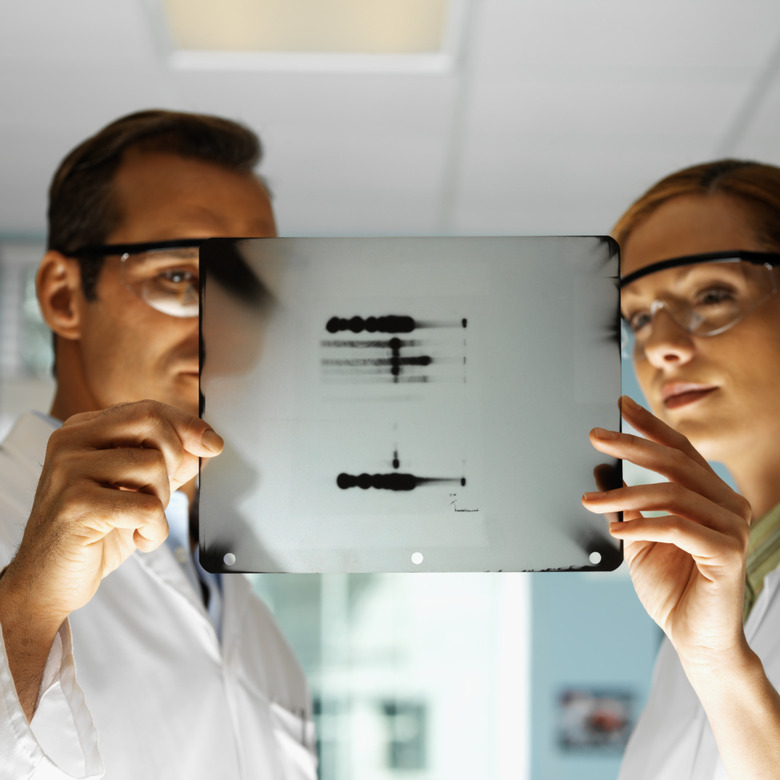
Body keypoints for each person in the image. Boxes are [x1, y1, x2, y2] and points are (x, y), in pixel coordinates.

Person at [0, 110, 317, 778]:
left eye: (249, 289)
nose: (225, 330)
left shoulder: (259, 631)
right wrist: (25, 612)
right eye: (180, 277)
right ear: (63, 296)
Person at [583, 159, 780, 779]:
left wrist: (723, 664)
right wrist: (709, 654)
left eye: (712, 294)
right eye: (638, 317)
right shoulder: (707, 584)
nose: (660, 344)